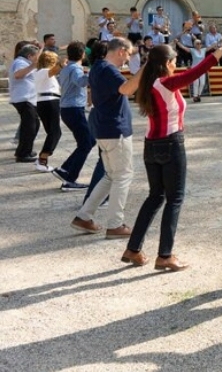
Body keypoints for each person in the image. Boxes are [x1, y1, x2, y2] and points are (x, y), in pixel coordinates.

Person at [121, 37, 222, 270]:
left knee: (155, 197)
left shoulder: (148, 83)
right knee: (174, 199)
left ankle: (133, 249)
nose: (175, 64)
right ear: (167, 63)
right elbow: (199, 69)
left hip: (151, 144)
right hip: (170, 143)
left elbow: (125, 88)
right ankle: (165, 254)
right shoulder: (166, 83)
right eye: (173, 61)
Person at [71, 38, 144, 239]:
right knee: (123, 176)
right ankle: (115, 224)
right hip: (114, 129)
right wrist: (144, 70)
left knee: (111, 175)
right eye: (128, 54)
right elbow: (127, 89)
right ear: (120, 51)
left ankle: (84, 216)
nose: (128, 58)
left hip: (104, 128)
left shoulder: (98, 67)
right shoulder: (109, 70)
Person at [53, 41, 105, 192]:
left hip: (69, 109)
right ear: (82, 54)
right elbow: (80, 82)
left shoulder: (66, 68)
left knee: (88, 141)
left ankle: (65, 169)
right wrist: (93, 74)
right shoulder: (75, 69)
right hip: (74, 109)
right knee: (87, 143)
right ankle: (70, 179)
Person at [9, 44, 41, 163]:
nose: (37, 59)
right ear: (29, 56)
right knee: (30, 127)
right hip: (23, 99)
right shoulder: (20, 62)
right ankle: (23, 154)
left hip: (27, 99)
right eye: (35, 57)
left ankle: (24, 150)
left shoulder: (24, 62)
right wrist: (33, 66)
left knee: (33, 125)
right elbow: (18, 75)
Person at [34, 51, 64, 172]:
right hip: (49, 101)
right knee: (55, 132)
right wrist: (62, 64)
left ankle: (43, 157)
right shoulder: (43, 72)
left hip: (45, 102)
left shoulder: (40, 73)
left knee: (52, 132)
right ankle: (43, 158)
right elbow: (53, 71)